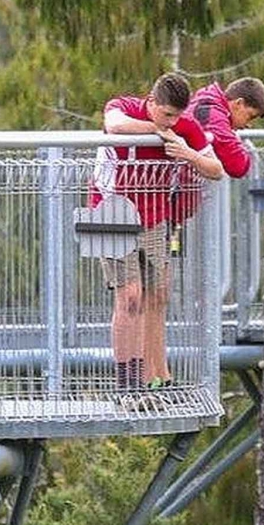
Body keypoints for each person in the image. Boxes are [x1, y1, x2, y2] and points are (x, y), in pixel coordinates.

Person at [96, 73, 221, 397]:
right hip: (111, 213)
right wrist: (158, 131)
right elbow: (114, 126)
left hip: (154, 219)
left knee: (157, 294)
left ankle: (156, 377)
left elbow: (216, 169)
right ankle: (128, 386)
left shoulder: (185, 127)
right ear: (151, 103)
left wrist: (188, 154)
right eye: (167, 114)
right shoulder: (123, 106)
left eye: (178, 116)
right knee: (131, 297)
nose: (174, 122)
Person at [182, 77, 264, 179]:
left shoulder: (207, 106)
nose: (248, 125)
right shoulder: (213, 115)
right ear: (239, 103)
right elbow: (238, 166)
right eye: (250, 116)